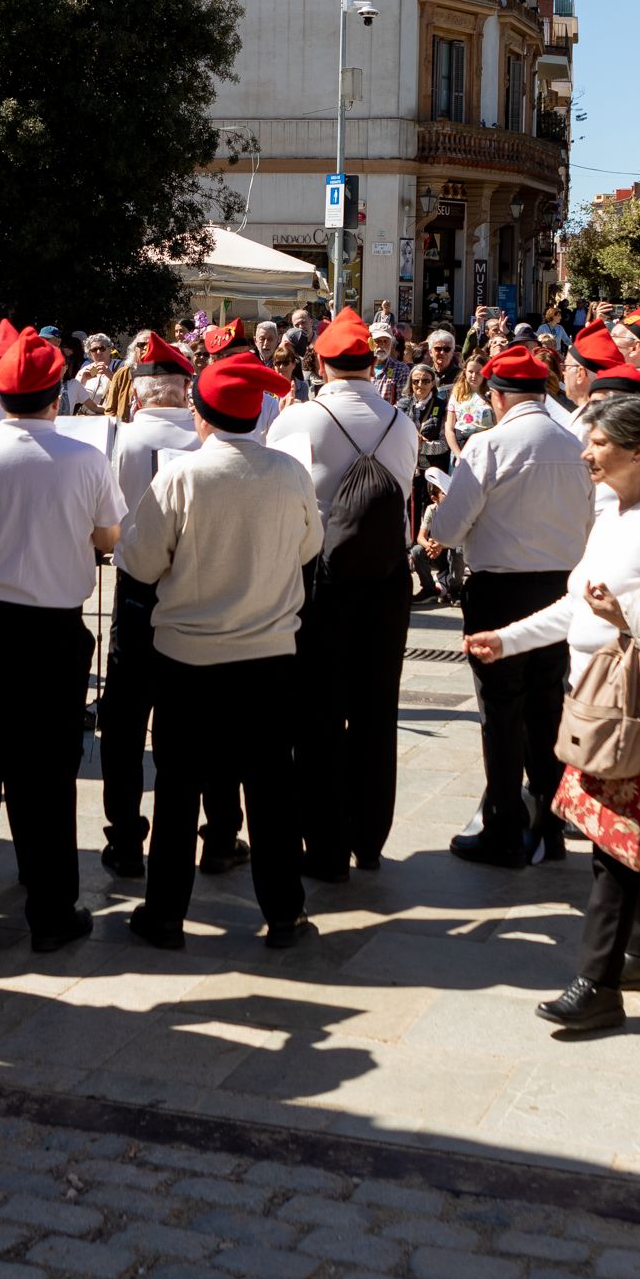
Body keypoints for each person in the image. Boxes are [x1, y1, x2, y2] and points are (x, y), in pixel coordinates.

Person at [464, 393, 640, 1034]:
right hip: (599, 689)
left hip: (635, 697)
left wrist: (630, 615)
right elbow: (580, 606)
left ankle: (597, 982)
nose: (585, 452)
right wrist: (510, 638)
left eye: (597, 444)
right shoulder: (615, 508)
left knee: (613, 836)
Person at [118, 349, 322, 951]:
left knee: (178, 789)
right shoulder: (289, 473)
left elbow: (142, 561)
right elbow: (309, 549)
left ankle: (165, 915)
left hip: (189, 660)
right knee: (271, 790)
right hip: (268, 656)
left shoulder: (181, 474)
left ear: (201, 415)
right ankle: (284, 913)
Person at [0, 326, 125, 956]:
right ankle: (50, 912)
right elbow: (108, 540)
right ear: (57, 395)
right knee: (46, 773)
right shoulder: (86, 458)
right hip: (49, 629)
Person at [421, 342, 594, 866]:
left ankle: (504, 824)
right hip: (560, 589)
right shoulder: (574, 440)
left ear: (496, 397)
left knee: (500, 711)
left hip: (499, 591)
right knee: (547, 705)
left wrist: (441, 512)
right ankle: (550, 824)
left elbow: (451, 530)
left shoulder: (489, 446)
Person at [268, 307, 419, 877]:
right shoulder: (400, 422)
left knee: (319, 713)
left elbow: (282, 498)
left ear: (323, 361)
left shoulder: (300, 420)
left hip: (322, 580)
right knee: (377, 711)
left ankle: (326, 846)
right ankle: (370, 839)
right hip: (387, 579)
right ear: (370, 360)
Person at [97, 332, 203, 879]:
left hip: (137, 587)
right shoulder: (208, 439)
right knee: (184, 718)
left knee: (125, 715)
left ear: (137, 395)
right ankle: (186, 832)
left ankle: (124, 836)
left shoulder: (121, 439)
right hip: (196, 589)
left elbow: (106, 526)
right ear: (186, 391)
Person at [400, 359, 450, 602]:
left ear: (433, 383)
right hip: (408, 468)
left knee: (428, 512)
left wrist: (423, 446)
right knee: (409, 512)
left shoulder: (441, 405)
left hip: (431, 469)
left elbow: (444, 442)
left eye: (426, 381)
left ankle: (433, 558)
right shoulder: (403, 405)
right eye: (416, 381)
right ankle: (412, 554)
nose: (420, 385)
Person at [444, 351, 494, 459]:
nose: (473, 376)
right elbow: (449, 428)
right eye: (470, 372)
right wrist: (458, 454)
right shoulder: (457, 393)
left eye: (478, 372)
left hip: (485, 447)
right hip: (461, 445)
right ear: (465, 371)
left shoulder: (492, 394)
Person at [369, 318, 410, 404]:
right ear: (370, 343)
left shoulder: (400, 369)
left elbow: (402, 403)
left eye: (386, 341)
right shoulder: (361, 369)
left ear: (391, 344)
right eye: (378, 341)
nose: (382, 345)